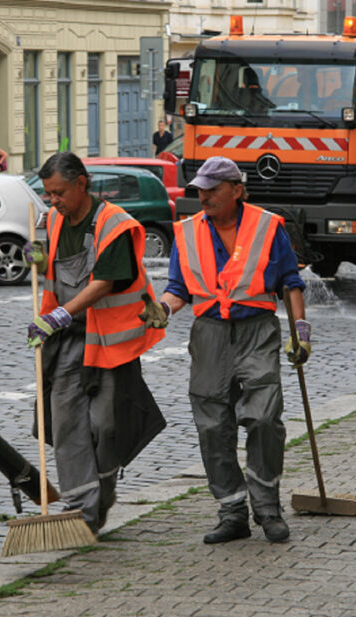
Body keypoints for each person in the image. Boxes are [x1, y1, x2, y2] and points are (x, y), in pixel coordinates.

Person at [143, 156, 311, 545]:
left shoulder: (268, 226)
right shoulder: (186, 233)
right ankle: (232, 511)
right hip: (210, 335)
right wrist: (163, 309)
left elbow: (290, 281)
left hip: (257, 330)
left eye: (212, 189)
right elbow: (179, 288)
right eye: (200, 189)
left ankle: (267, 507)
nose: (204, 196)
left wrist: (300, 330)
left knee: (265, 418)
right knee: (213, 425)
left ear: (236, 190)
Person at [23, 151, 166, 534]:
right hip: (65, 341)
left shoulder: (115, 225)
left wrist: (60, 314)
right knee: (67, 423)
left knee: (106, 426)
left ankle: (102, 492)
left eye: (59, 193)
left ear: (81, 183)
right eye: (48, 193)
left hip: (108, 342)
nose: (53, 200)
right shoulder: (52, 221)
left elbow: (104, 283)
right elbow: (47, 268)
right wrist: (35, 258)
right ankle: (80, 510)